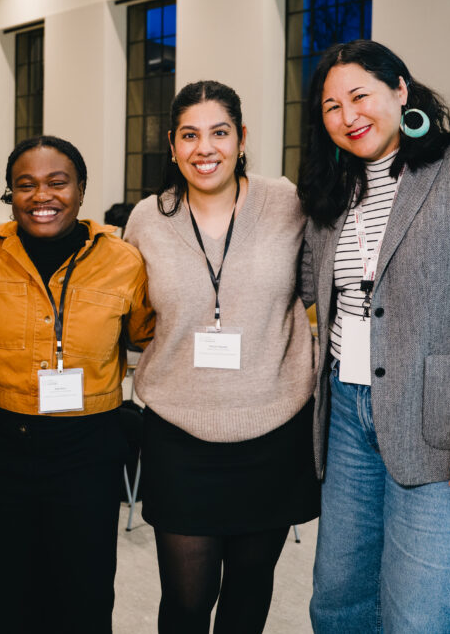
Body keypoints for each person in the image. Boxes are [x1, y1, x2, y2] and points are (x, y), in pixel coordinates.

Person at [297, 39, 450, 632]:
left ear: (400, 90)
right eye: (331, 107)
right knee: (338, 601)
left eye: (360, 96)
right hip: (348, 417)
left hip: (445, 421)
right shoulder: (332, 194)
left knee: (425, 615)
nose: (348, 115)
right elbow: (305, 287)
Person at [123, 81, 318, 633]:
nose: (204, 148)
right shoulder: (147, 218)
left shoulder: (286, 203)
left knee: (248, 600)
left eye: (219, 132)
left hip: (273, 428)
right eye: (190, 135)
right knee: (186, 603)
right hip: (179, 434)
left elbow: (318, 287)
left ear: (241, 138)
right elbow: (133, 316)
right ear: (172, 144)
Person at [0, 135, 155, 633]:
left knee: (84, 597)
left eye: (57, 182)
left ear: (81, 189)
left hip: (87, 449)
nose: (41, 196)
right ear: (11, 193)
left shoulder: (124, 261)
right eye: (25, 184)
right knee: (6, 595)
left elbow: (145, 334)